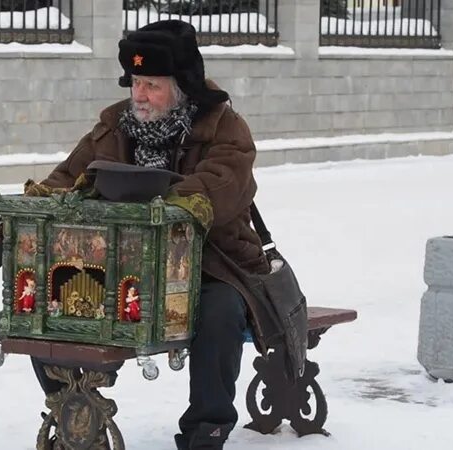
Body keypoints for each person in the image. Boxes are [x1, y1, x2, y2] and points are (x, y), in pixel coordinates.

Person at [26, 20, 272, 450]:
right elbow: (65, 178)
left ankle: (206, 429)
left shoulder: (225, 128)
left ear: (181, 88)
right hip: (122, 262)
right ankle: (73, 407)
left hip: (213, 263)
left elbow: (222, 185)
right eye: (135, 82)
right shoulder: (114, 125)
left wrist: (156, 200)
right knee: (53, 303)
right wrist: (9, 227)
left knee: (220, 315)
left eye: (151, 85)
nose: (138, 95)